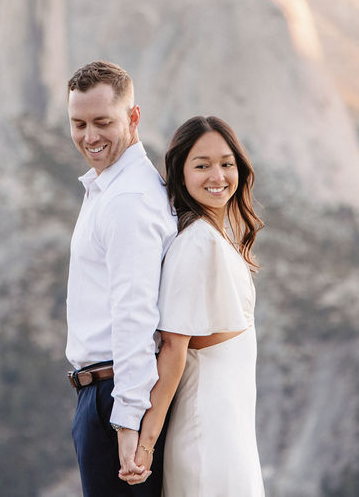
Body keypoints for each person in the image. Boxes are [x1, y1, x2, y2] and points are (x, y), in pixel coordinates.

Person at [127, 115, 266, 495]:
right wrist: (145, 444)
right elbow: (173, 347)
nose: (217, 176)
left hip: (230, 427)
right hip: (208, 433)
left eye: (226, 163)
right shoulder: (196, 242)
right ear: (181, 172)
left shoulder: (215, 236)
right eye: (201, 165)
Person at [65, 60, 177, 495]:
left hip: (116, 396)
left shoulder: (128, 199)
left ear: (133, 118)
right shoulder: (108, 187)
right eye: (78, 123)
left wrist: (127, 422)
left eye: (102, 122)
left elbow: (134, 313)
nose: (89, 137)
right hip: (104, 393)